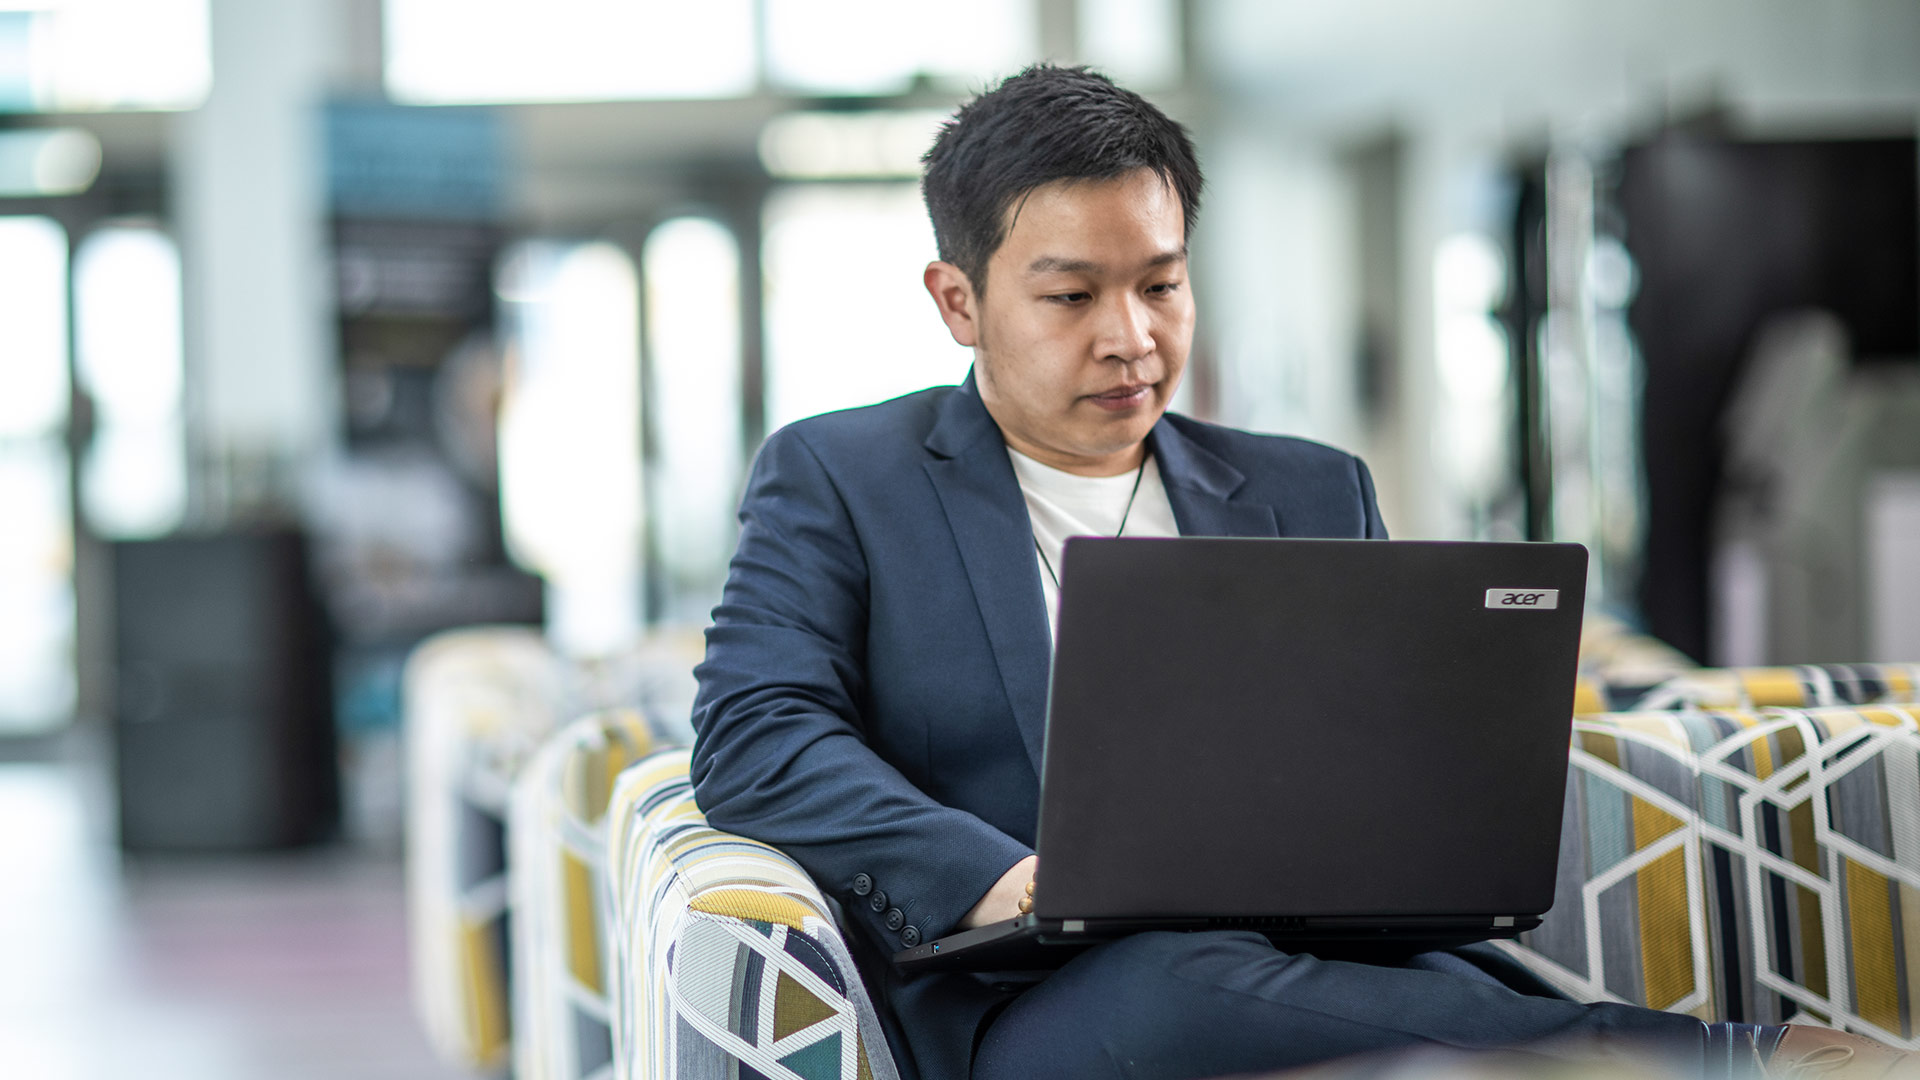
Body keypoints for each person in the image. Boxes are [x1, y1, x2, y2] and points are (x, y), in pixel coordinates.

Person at [690, 65, 1910, 1080]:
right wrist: (999, 877)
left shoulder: (1310, 486)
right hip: (1036, 1000)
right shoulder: (843, 474)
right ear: (957, 301)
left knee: (1329, 991)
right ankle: (1732, 1059)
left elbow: (1382, 763)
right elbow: (755, 730)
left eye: (1162, 284)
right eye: (1071, 297)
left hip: (1328, 960)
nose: (1134, 337)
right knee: (1178, 986)